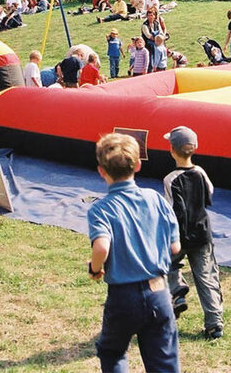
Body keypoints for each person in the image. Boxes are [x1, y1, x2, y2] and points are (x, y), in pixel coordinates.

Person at [88, 133, 181, 373]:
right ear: (138, 165)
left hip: (123, 296)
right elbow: (175, 248)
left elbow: (101, 247)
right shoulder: (155, 199)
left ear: (101, 171)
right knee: (164, 362)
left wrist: (95, 268)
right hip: (159, 292)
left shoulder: (101, 209)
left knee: (113, 351)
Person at [162, 126, 225, 340]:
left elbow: (174, 209)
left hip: (179, 234)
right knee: (206, 276)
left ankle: (177, 292)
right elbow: (208, 197)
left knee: (167, 264)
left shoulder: (171, 179)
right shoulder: (201, 173)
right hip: (201, 232)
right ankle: (214, 323)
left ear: (172, 150)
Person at [141, 8, 167, 72]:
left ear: (154, 16)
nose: (150, 17)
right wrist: (158, 39)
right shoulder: (144, 25)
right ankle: (150, 70)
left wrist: (162, 37)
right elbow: (148, 36)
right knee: (150, 59)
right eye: (149, 15)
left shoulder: (156, 23)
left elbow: (161, 31)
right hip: (149, 45)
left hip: (158, 43)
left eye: (152, 15)